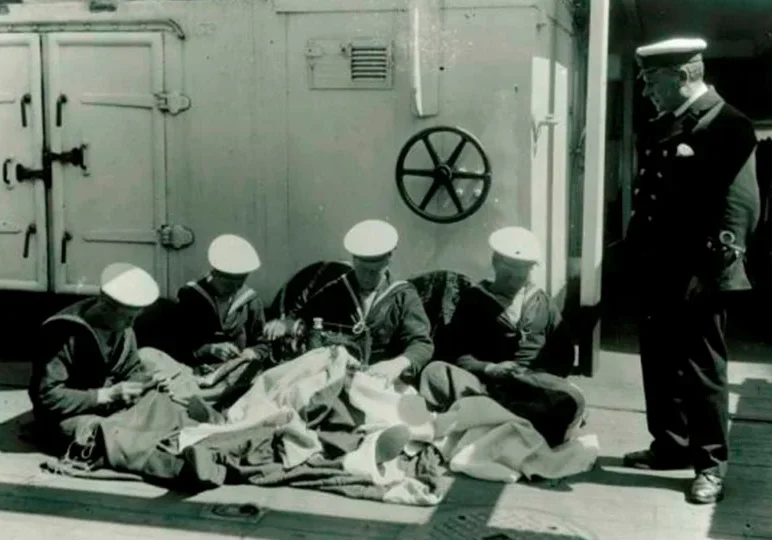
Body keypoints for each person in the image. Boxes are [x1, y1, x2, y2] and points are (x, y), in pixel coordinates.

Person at [622, 37, 760, 504]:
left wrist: (713, 272)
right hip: (658, 268)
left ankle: (710, 466)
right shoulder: (671, 124)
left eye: (651, 82)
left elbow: (739, 209)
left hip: (699, 273)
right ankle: (671, 447)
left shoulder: (729, 125)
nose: (646, 92)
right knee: (659, 362)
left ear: (683, 77)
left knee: (701, 370)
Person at [418, 227, 585, 448]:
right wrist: (490, 369)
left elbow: (563, 353)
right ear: (495, 263)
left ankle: (494, 418)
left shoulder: (542, 301)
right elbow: (454, 351)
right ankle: (507, 419)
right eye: (510, 270)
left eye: (523, 271)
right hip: (483, 384)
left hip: (534, 385)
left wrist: (538, 376)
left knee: (571, 399)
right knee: (435, 372)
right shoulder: (474, 299)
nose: (516, 278)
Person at [264, 219, 434, 385]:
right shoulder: (337, 289)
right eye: (363, 270)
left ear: (388, 260)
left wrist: (397, 365)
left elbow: (421, 344)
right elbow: (303, 317)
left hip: (381, 381)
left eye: (375, 272)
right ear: (354, 260)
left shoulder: (403, 296)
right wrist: (284, 325)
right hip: (338, 377)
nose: (367, 277)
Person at [28, 262, 160, 452]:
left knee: (161, 409)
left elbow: (132, 368)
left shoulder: (121, 328)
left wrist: (139, 383)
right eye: (128, 318)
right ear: (105, 307)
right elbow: (47, 396)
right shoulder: (61, 333)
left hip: (108, 407)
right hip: (65, 416)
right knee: (110, 438)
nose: (131, 324)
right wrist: (106, 395)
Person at [146, 234, 272, 408]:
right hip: (193, 370)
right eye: (229, 284)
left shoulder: (250, 301)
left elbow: (263, 344)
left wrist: (252, 352)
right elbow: (174, 345)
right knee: (149, 357)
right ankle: (201, 398)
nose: (235, 289)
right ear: (215, 274)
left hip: (232, 372)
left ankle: (198, 400)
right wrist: (206, 350)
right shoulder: (191, 297)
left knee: (250, 375)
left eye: (241, 282)